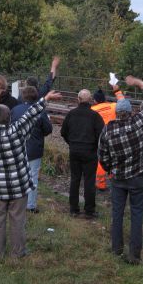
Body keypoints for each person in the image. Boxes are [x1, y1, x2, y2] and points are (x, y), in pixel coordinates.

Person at [0, 90, 62, 258]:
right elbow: (31, 114)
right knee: (18, 220)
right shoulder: (17, 132)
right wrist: (45, 99)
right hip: (18, 185)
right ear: (9, 117)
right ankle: (18, 252)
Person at [98, 75, 143, 264]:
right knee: (137, 214)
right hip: (139, 176)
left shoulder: (108, 130)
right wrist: (140, 83)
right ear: (130, 111)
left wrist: (110, 169)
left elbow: (103, 156)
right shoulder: (139, 123)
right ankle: (134, 255)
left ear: (116, 113)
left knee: (117, 213)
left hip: (118, 178)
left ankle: (116, 250)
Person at [61, 89, 104, 218]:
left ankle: (74, 209)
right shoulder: (95, 116)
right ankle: (89, 210)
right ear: (90, 100)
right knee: (89, 181)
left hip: (74, 150)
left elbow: (63, 132)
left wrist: (71, 143)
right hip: (90, 152)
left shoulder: (71, 114)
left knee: (75, 179)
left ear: (78, 99)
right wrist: (95, 146)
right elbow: (101, 135)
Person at [10, 86, 53, 213]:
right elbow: (48, 129)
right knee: (32, 177)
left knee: (17, 175)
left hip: (17, 147)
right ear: (36, 96)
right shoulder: (40, 111)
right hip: (34, 148)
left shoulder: (15, 110)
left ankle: (16, 201)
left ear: (23, 96)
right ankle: (30, 205)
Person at [91, 85, 125, 191]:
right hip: (114, 137)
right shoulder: (113, 106)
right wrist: (117, 90)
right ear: (105, 99)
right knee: (114, 158)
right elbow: (123, 102)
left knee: (101, 161)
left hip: (100, 138)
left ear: (95, 100)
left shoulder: (92, 110)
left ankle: (101, 184)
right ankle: (113, 179)